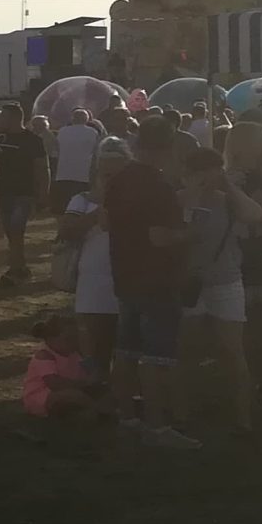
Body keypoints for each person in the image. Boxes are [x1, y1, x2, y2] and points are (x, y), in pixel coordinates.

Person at [106, 121, 197, 448]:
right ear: (168, 147)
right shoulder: (159, 185)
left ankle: (127, 418)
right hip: (157, 279)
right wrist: (190, 233)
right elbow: (159, 237)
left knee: (126, 352)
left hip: (125, 274)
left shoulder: (119, 178)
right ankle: (157, 427)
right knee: (157, 358)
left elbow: (109, 222)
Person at [181, 147, 262, 437]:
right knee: (186, 350)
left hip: (226, 281)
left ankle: (243, 418)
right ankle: (184, 412)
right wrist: (193, 196)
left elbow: (256, 214)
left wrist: (228, 185)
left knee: (232, 351)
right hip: (189, 282)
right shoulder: (180, 199)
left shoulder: (228, 201)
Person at [62, 144, 123, 393]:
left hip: (127, 279)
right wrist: (100, 209)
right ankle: (94, 389)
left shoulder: (138, 201)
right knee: (91, 342)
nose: (112, 181)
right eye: (107, 175)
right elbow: (67, 232)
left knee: (123, 345)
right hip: (92, 281)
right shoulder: (82, 200)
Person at [0, 104, 48, 286]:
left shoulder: (33, 140)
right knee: (11, 232)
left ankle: (15, 270)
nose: (0, 120)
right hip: (4, 190)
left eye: (4, 116)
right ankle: (20, 267)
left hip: (24, 192)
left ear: (15, 118)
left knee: (16, 230)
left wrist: (43, 192)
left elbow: (42, 168)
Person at [23, 313, 99, 423]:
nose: (74, 342)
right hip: (43, 396)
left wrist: (92, 373)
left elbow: (93, 371)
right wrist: (83, 384)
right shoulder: (45, 356)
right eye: (68, 339)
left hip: (73, 389)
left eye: (76, 338)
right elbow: (54, 384)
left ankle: (87, 411)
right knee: (73, 395)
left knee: (102, 392)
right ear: (50, 339)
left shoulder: (75, 353)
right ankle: (94, 410)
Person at [50, 109, 102, 211]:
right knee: (80, 206)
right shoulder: (93, 132)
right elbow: (96, 153)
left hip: (63, 174)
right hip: (84, 174)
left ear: (72, 119)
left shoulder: (62, 131)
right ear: (87, 120)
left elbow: (55, 151)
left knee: (63, 206)